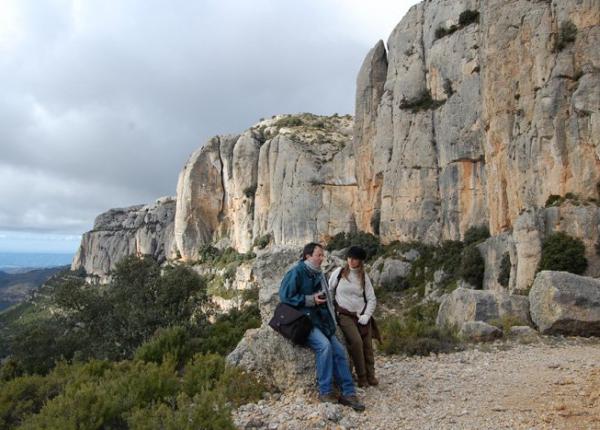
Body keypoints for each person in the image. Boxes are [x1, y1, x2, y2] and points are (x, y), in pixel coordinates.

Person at [279, 242, 365, 411]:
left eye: (322, 255)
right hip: (305, 321)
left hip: (321, 321)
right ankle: (325, 391)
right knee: (324, 347)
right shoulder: (297, 272)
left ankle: (348, 392)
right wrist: (310, 300)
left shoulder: (319, 275)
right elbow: (285, 296)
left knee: (339, 350)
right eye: (318, 255)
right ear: (307, 256)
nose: (321, 258)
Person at [328, 246, 379, 387]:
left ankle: (371, 375)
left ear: (360, 261)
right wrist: (332, 310)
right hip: (344, 314)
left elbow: (371, 299)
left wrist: (367, 315)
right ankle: (362, 376)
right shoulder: (339, 273)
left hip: (361, 314)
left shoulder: (364, 277)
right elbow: (330, 291)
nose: (351, 260)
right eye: (349, 257)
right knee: (357, 342)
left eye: (355, 258)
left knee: (368, 346)